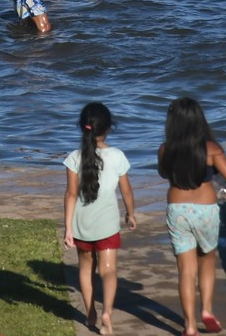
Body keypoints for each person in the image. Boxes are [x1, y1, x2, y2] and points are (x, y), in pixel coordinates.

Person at [158, 97, 226, 336]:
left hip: (178, 210)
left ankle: (190, 326)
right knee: (207, 261)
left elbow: (164, 174)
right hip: (205, 210)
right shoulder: (212, 149)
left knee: (186, 270)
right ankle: (207, 312)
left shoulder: (165, 150)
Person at [63, 102, 136, 336]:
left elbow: (71, 194)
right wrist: (130, 213)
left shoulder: (74, 158)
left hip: (82, 226)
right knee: (108, 270)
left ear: (83, 128)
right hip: (107, 226)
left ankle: (90, 313)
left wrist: (68, 228)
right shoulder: (117, 156)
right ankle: (107, 313)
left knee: (86, 270)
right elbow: (126, 191)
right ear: (108, 128)